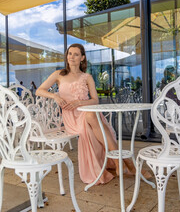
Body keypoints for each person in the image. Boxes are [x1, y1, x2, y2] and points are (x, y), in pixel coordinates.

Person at [36, 43, 150, 185]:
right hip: (72, 117)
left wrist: (79, 103)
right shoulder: (58, 74)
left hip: (87, 111)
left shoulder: (87, 77)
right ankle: (126, 163)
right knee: (94, 120)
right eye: (70, 53)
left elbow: (95, 101)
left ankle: (120, 163)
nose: (71, 57)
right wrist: (56, 96)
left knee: (91, 115)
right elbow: (39, 90)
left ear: (82, 58)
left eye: (76, 54)